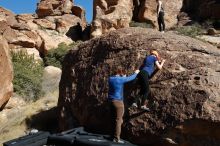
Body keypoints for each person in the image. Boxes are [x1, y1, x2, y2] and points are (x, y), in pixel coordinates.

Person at [108, 67, 140, 143]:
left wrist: (123, 76)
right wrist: (136, 72)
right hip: (118, 102)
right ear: (120, 73)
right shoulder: (121, 79)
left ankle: (112, 136)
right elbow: (131, 78)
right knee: (119, 120)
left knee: (113, 119)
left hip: (111, 101)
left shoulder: (110, 79)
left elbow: (119, 80)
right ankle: (116, 139)